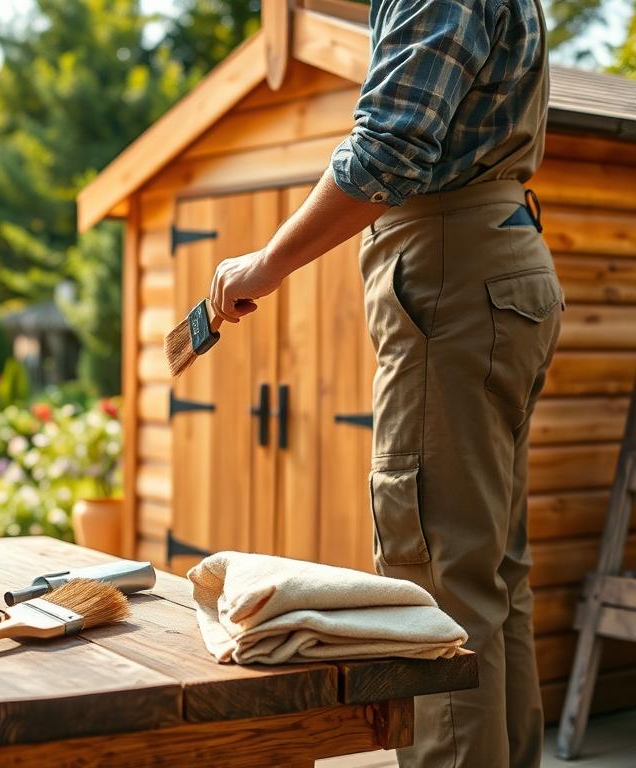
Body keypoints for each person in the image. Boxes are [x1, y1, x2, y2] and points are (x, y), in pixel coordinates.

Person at [209, 0, 563, 766]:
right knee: (491, 571)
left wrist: (266, 262)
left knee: (436, 580)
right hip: (495, 261)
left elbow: (390, 145)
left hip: (455, 266)